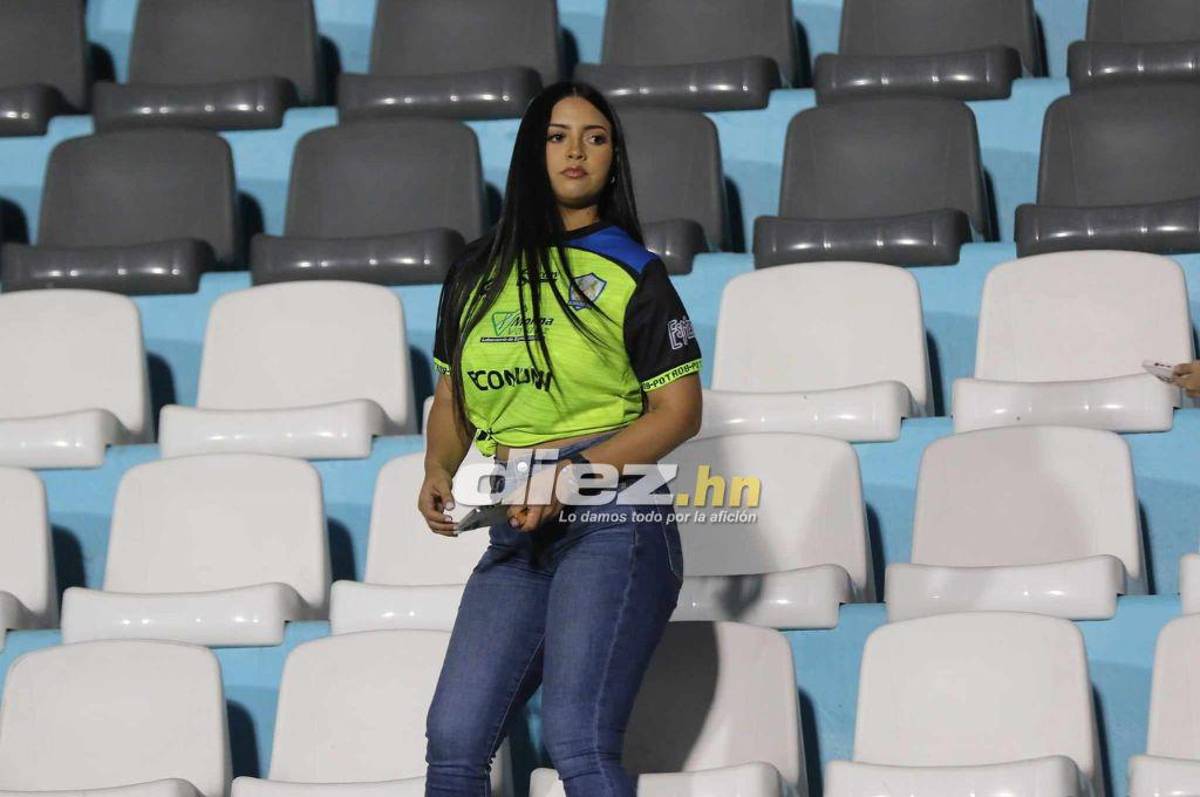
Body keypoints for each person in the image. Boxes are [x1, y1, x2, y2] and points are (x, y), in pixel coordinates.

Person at [419, 80, 704, 797]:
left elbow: (679, 411)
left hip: (616, 517)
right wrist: (437, 463)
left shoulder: (633, 268)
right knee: (453, 743)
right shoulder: (473, 273)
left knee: (575, 738)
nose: (576, 150)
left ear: (614, 159)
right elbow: (453, 393)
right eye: (556, 135)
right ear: (529, 152)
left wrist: (569, 475)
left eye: (595, 137)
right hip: (516, 529)